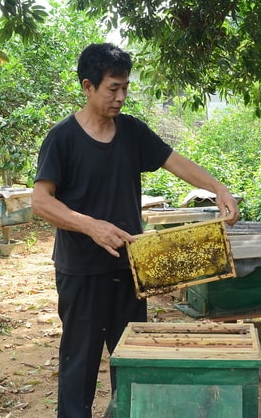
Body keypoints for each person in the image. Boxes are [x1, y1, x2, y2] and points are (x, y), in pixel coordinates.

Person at [32, 42, 240, 417]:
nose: (121, 97)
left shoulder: (131, 132)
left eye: (125, 87)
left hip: (131, 269)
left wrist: (218, 188)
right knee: (79, 365)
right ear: (88, 86)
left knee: (132, 361)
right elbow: (41, 201)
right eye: (113, 88)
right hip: (81, 271)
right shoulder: (62, 138)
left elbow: (175, 162)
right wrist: (90, 226)